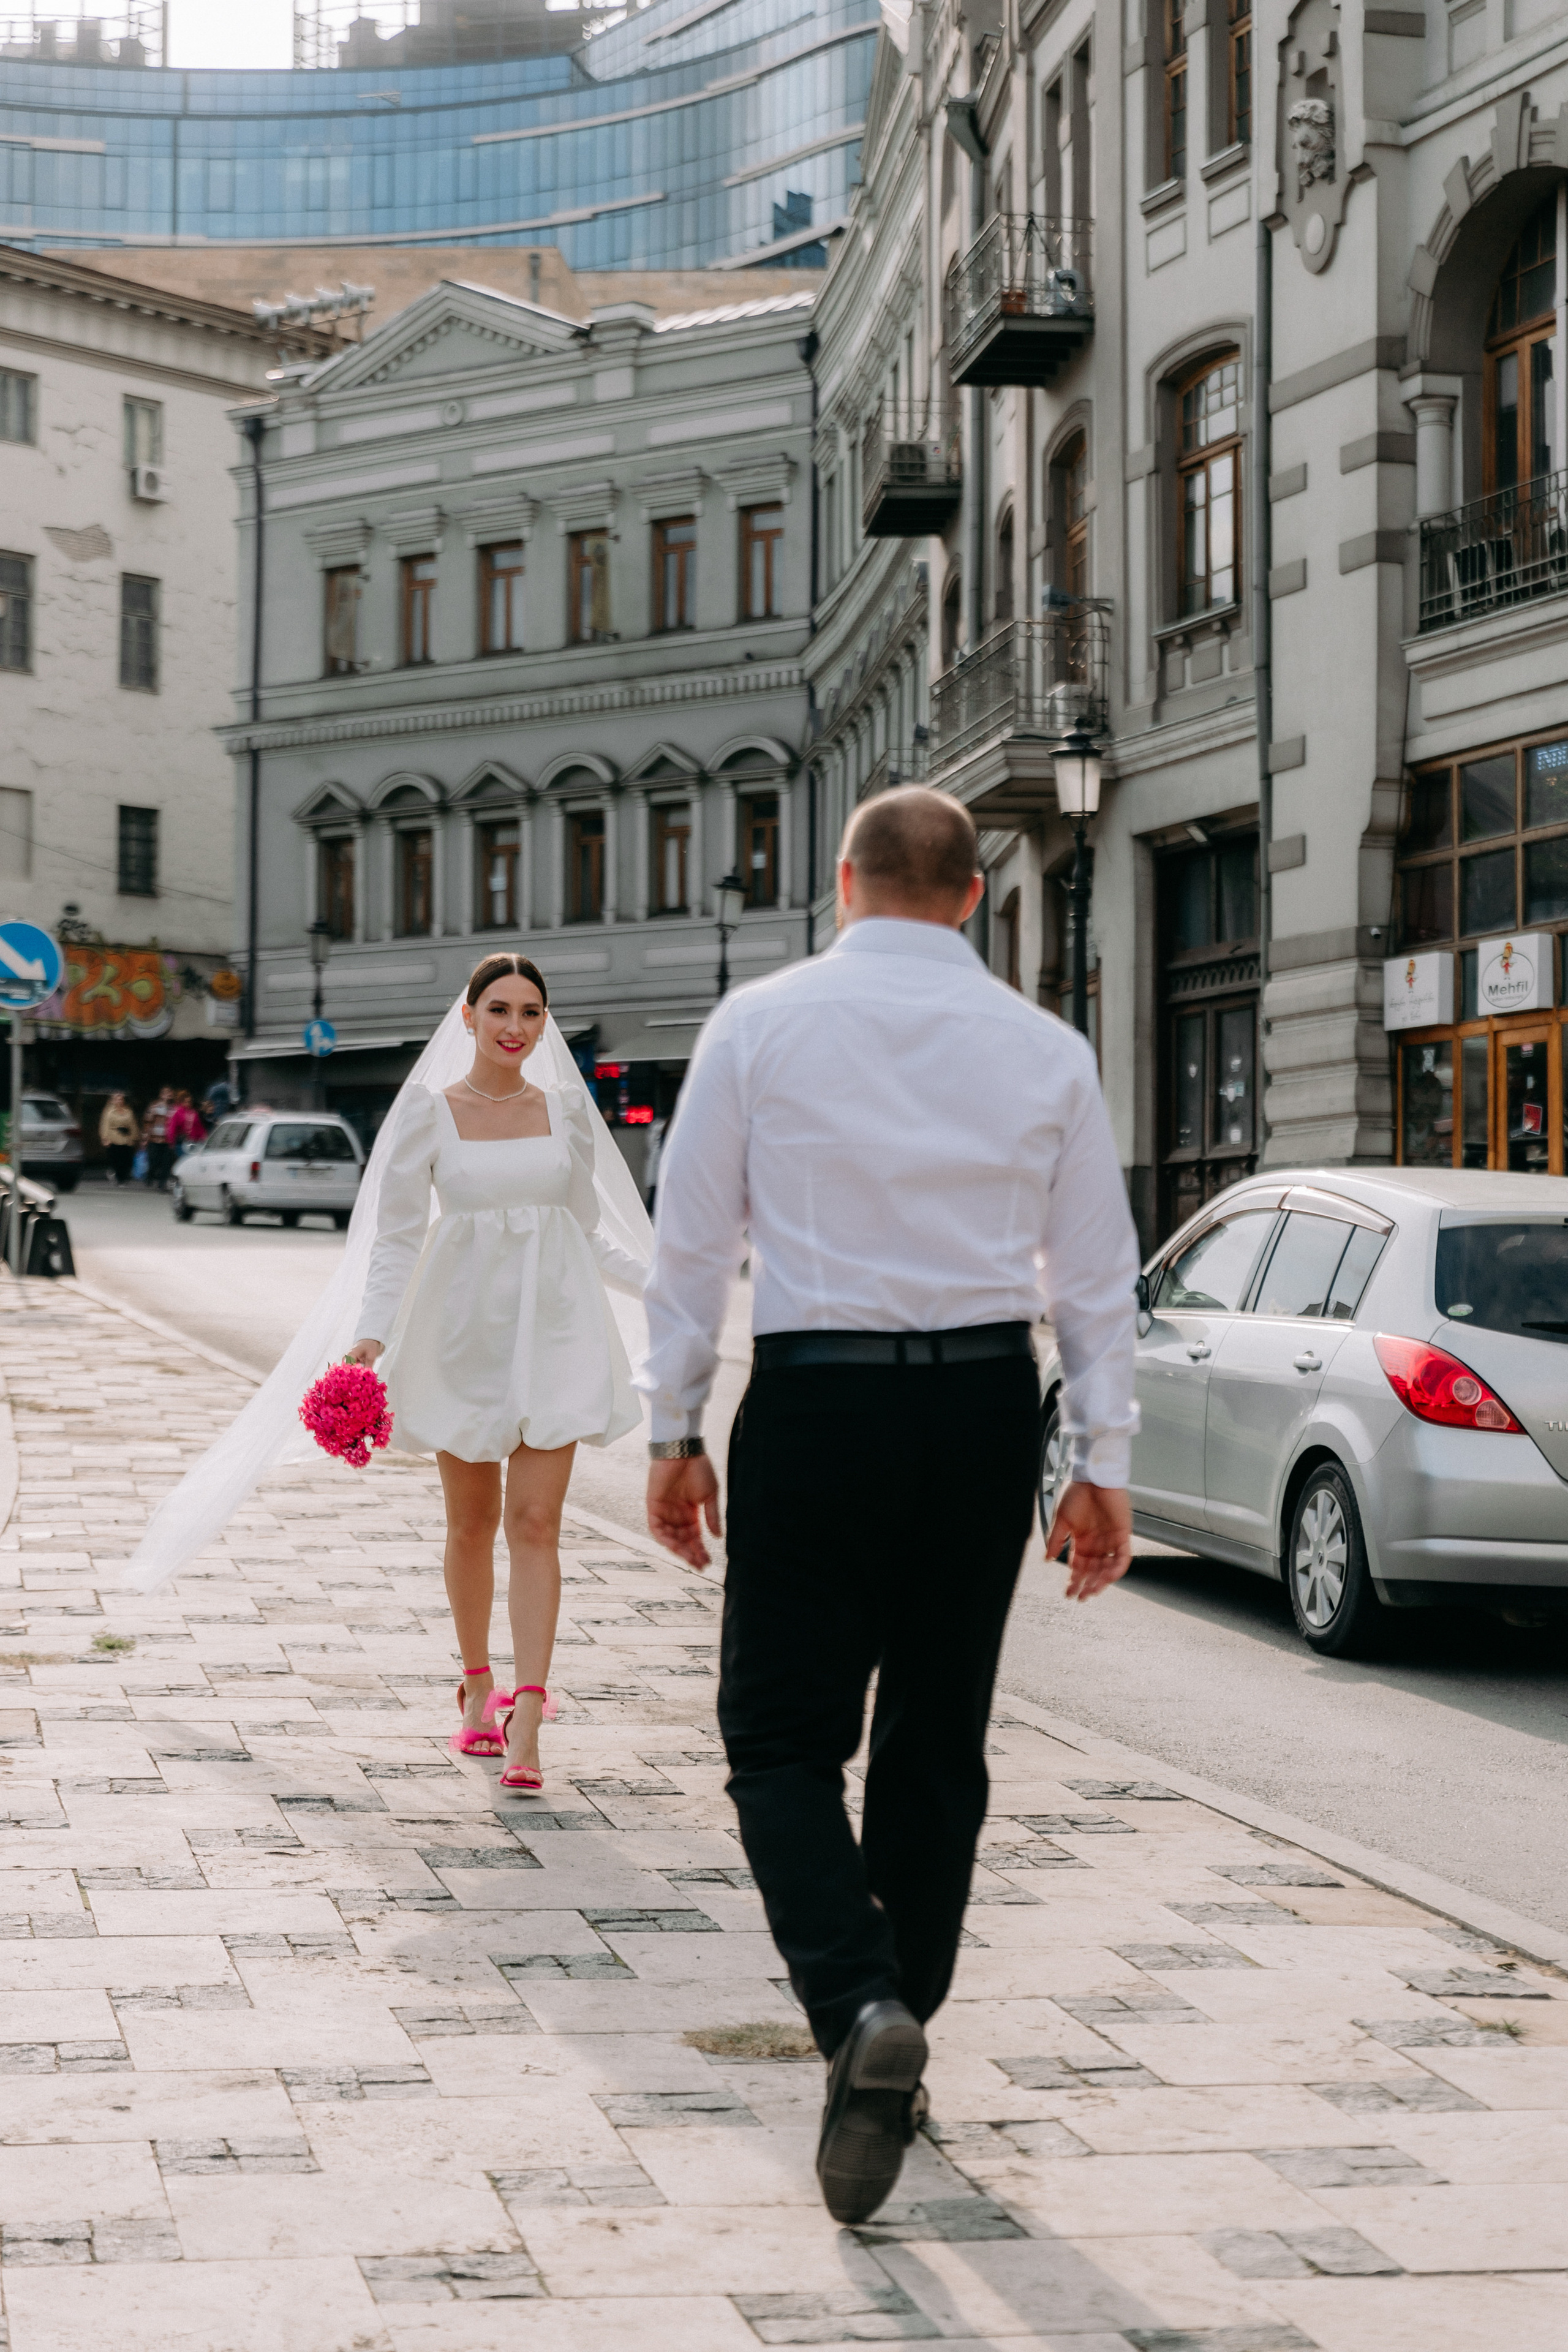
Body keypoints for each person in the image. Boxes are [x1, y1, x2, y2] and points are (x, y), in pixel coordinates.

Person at [639, 785, 1139, 2226]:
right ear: (974, 897)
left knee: (778, 1736)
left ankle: (858, 2006)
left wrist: (673, 1428)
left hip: (814, 1397)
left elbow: (690, 1247)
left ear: (842, 885)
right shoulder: (1045, 1050)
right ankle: (895, 2040)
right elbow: (1093, 1283)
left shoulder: (757, 1023)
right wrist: (1100, 1465)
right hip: (979, 1406)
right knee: (934, 1736)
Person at [344, 953, 647, 1793]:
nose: (517, 1027)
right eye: (502, 1009)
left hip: (555, 1335)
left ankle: (528, 1719)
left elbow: (585, 1230)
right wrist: (371, 1337)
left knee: (538, 1523)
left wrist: (670, 1285)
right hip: (462, 1335)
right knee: (473, 1525)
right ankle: (477, 1680)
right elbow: (399, 1237)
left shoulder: (567, 1116)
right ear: (469, 1015)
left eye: (533, 1012)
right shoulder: (427, 1115)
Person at [99, 1092, 138, 1186]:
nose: (119, 1101)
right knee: (116, 1159)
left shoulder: (128, 1111)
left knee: (126, 1159)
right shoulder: (109, 1111)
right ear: (113, 1100)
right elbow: (105, 1125)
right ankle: (118, 1177)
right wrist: (105, 1138)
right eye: (117, 1099)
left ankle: (124, 1177)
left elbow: (133, 1125)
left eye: (121, 1099)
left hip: (126, 1138)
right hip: (113, 1137)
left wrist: (134, 1137)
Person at [143, 1087, 175, 1191]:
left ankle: (162, 1184)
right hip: (154, 1139)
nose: (169, 1095)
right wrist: (145, 1138)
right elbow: (147, 1122)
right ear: (162, 1095)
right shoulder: (154, 1106)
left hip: (167, 1140)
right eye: (166, 1093)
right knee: (154, 1160)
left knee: (166, 1163)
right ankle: (150, 1176)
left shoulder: (173, 1109)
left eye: (170, 1093)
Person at [167, 1091, 206, 1161]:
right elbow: (172, 1127)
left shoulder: (194, 1113)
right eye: (186, 1102)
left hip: (194, 1142)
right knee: (183, 1160)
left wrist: (204, 1138)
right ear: (181, 1102)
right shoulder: (177, 1112)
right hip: (181, 1142)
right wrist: (171, 1141)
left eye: (189, 1102)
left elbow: (199, 1127)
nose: (188, 1104)